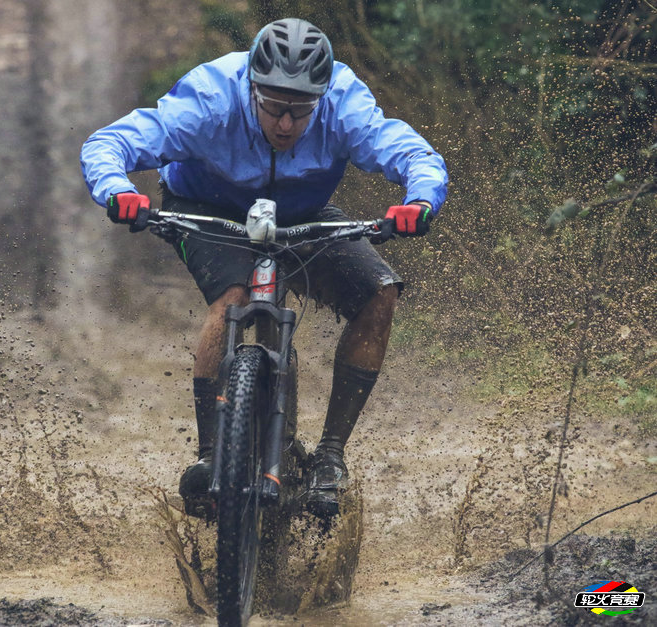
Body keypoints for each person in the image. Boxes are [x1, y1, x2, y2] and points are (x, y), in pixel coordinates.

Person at [80, 18, 448, 517]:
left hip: (301, 215)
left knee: (380, 292)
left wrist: (419, 199)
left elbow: (406, 150)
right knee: (232, 299)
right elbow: (109, 143)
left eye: (301, 112)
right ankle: (212, 457)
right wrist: (118, 191)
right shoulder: (210, 98)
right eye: (274, 108)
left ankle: (330, 457)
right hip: (206, 207)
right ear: (251, 87)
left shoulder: (342, 101)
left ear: (320, 96)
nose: (286, 125)